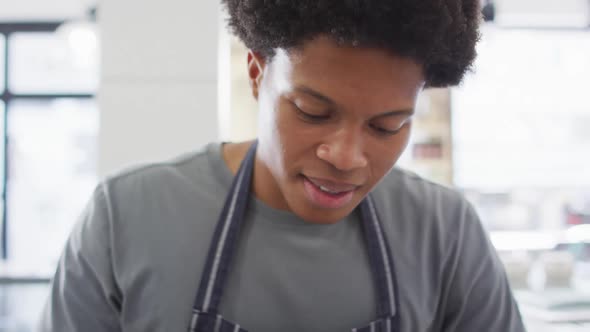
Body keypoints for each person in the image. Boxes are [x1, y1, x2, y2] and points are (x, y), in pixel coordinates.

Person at [40, 0, 526, 331]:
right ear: (256, 73)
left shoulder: (445, 231)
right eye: (313, 112)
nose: (346, 157)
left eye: (386, 127)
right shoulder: (127, 216)